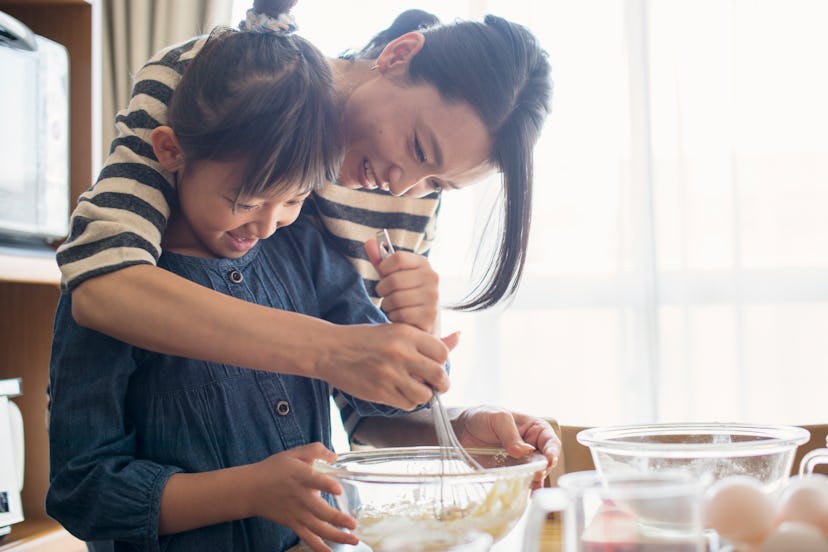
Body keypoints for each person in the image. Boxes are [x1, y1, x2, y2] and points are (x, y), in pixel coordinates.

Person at [56, 0, 560, 473]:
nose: (405, 185)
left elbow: (361, 410)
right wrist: (335, 349)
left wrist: (451, 419)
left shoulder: (406, 198)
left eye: (438, 183)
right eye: (418, 148)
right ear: (399, 54)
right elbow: (105, 283)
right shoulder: (220, 75)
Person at [47, 23, 437, 552]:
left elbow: (378, 400)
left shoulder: (304, 253)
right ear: (171, 150)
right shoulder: (118, 292)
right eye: (247, 198)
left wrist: (420, 341)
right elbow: (82, 491)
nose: (268, 224)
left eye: (295, 200)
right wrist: (252, 492)